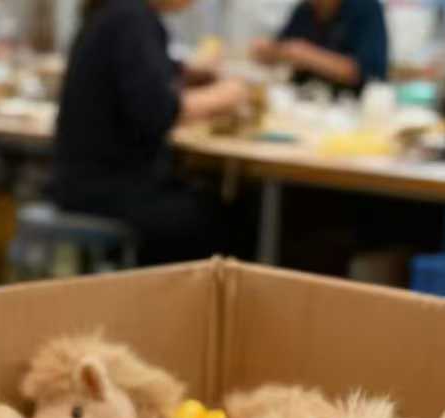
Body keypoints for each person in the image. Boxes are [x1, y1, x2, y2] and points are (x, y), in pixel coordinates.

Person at [53, 0, 251, 267]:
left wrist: (186, 73)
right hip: (105, 189)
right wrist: (224, 96)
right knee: (223, 218)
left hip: (82, 183)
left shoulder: (115, 12)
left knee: (205, 202)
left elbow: (145, 76)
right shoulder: (133, 19)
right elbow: (157, 111)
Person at [251, 0, 389, 92]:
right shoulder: (305, 9)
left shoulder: (366, 8)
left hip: (351, 109)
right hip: (305, 101)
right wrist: (268, 51)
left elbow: (364, 71)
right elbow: (280, 49)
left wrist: (307, 55)